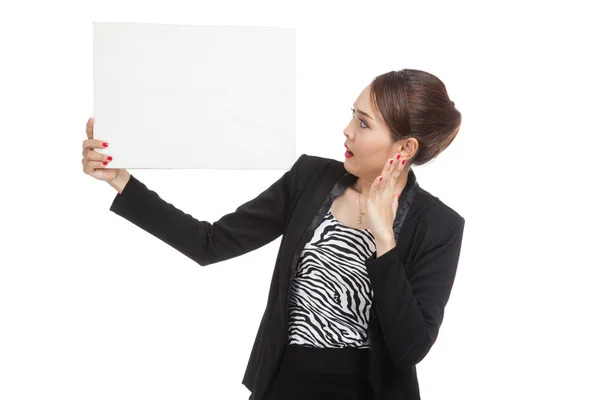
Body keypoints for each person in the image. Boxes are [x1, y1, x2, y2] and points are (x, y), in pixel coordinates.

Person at [81, 68, 465, 400]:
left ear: (405, 147)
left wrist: (385, 239)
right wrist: (121, 180)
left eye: (363, 123)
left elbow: (410, 348)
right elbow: (209, 242)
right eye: (352, 115)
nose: (346, 130)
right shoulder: (310, 179)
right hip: (284, 384)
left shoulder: (439, 226)